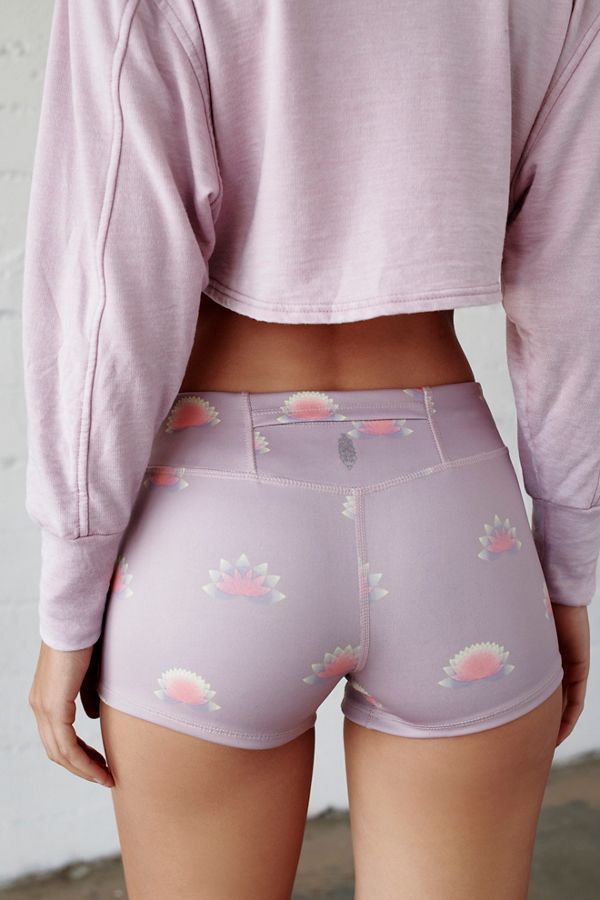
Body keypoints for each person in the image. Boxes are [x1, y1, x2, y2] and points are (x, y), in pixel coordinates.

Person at [22, 1, 599, 897]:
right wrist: (568, 565)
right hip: (458, 523)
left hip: (213, 525)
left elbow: (109, 293)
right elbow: (578, 292)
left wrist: (69, 599)